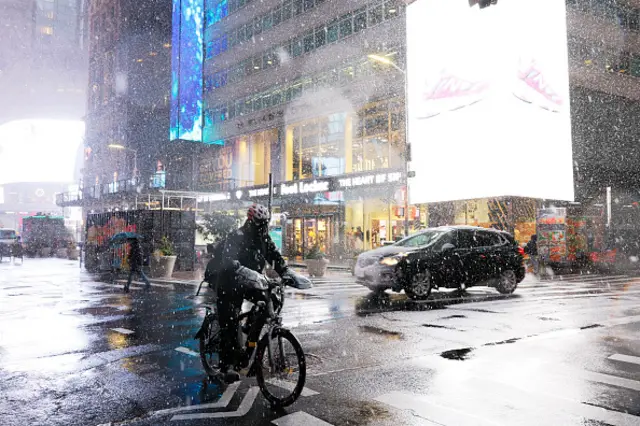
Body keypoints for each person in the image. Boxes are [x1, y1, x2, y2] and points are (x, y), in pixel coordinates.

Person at [216, 204, 292, 383]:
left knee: (271, 300)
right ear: (250, 221)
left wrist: (286, 273)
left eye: (265, 224)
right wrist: (241, 269)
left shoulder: (263, 238)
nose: (263, 227)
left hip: (252, 282)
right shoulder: (237, 236)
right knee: (229, 322)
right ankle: (226, 365)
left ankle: (250, 331)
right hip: (230, 283)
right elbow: (228, 261)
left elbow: (274, 256)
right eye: (260, 224)